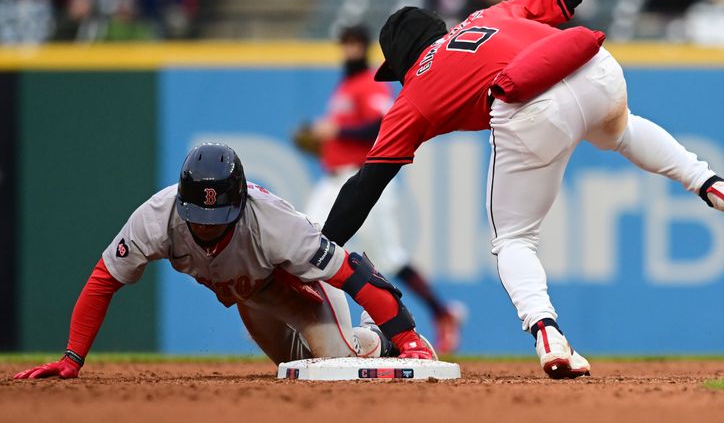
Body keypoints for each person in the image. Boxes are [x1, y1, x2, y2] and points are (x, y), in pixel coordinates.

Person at [318, 0, 724, 379]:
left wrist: (318, 248)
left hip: (530, 106)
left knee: (513, 239)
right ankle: (712, 184)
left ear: (402, 61)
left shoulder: (414, 93)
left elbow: (365, 187)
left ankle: (547, 332)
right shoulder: (491, 14)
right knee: (624, 129)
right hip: (592, 67)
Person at [14, 143, 435, 380]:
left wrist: (409, 334)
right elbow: (104, 278)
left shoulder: (273, 222)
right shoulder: (157, 217)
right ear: (181, 202)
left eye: (219, 219)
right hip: (254, 298)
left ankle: (378, 338)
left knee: (332, 370)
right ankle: (365, 339)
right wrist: (72, 357)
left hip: (303, 288)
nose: (209, 228)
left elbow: (352, 274)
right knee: (294, 371)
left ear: (241, 201)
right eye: (199, 218)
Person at [296, 25, 463, 354]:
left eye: (355, 44)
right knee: (306, 243)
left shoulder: (365, 83)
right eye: (345, 44)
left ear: (364, 47)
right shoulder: (344, 87)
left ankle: (443, 314)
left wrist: (336, 131)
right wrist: (324, 142)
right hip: (333, 181)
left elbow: (378, 126)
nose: (349, 50)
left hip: (365, 182)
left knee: (390, 257)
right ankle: (298, 318)